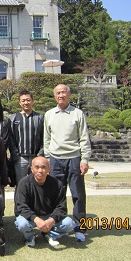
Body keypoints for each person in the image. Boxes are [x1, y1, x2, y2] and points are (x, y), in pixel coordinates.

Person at [44, 84, 92, 242]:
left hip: (74, 158)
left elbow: (84, 138)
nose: (61, 95)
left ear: (69, 95)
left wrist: (84, 159)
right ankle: (55, 228)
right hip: (55, 159)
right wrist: (47, 158)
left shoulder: (78, 114)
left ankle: (80, 228)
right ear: (55, 96)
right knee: (56, 196)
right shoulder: (49, 114)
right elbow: (47, 139)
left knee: (78, 195)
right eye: (58, 93)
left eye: (64, 92)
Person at [14, 156, 75, 247]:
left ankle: (50, 234)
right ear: (31, 169)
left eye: (43, 167)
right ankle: (30, 237)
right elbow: (21, 207)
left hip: (49, 216)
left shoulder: (56, 184)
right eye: (37, 167)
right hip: (31, 217)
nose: (40, 170)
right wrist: (36, 219)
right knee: (21, 224)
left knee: (69, 224)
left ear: (49, 169)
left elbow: (61, 207)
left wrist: (52, 220)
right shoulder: (24, 183)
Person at [5, 90, 44, 185]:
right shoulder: (13, 118)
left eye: (28, 100)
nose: (26, 102)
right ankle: (19, 200)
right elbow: (10, 138)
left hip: (36, 156)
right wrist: (16, 155)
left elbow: (45, 137)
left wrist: (40, 154)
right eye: (23, 100)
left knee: (36, 184)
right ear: (19, 102)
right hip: (20, 158)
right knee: (20, 184)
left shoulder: (40, 118)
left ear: (32, 101)